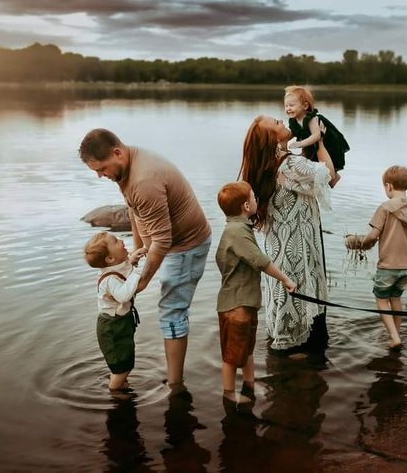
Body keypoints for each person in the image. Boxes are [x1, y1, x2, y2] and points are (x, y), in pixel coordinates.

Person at [79, 128, 212, 393]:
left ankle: (175, 384)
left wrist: (141, 280)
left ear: (117, 153)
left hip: (186, 245)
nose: (99, 175)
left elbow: (162, 241)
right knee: (169, 308)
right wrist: (135, 255)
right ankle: (174, 380)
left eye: (101, 168)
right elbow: (134, 210)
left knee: (172, 311)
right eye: (96, 171)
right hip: (171, 242)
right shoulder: (126, 167)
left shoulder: (143, 180)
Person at [239, 115, 335, 354]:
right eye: (277, 124)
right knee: (302, 299)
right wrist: (321, 143)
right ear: (271, 139)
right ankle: (297, 360)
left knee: (284, 299)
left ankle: (285, 353)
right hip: (298, 251)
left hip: (278, 251)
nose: (283, 121)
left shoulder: (265, 167)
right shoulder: (289, 165)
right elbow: (329, 175)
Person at [215, 180, 296, 405]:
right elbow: (259, 261)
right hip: (235, 305)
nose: (255, 200)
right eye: (252, 197)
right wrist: (286, 279)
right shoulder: (237, 232)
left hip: (245, 302)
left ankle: (249, 384)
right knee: (232, 356)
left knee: (247, 349)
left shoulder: (238, 229)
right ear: (245, 206)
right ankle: (229, 394)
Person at [345, 165, 407, 349]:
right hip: (406, 265)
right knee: (395, 298)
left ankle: (394, 337)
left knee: (381, 299)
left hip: (388, 266)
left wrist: (358, 244)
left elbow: (372, 237)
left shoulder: (385, 208)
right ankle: (396, 335)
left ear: (388, 186)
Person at [83, 231, 147, 392]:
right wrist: (137, 274)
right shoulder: (109, 279)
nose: (120, 240)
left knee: (125, 362)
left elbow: (122, 270)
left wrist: (131, 261)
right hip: (112, 329)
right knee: (121, 368)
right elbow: (124, 295)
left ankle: (121, 385)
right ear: (110, 259)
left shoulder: (115, 267)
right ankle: (116, 393)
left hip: (119, 324)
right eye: (115, 241)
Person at [284, 85, 349, 186]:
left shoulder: (310, 119)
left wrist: (301, 143)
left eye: (291, 105)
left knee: (328, 160)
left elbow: (316, 135)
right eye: (286, 106)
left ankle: (335, 176)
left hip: (328, 143)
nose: (288, 108)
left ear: (305, 106)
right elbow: (294, 132)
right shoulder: (294, 121)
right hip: (311, 144)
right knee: (312, 161)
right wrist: (283, 140)